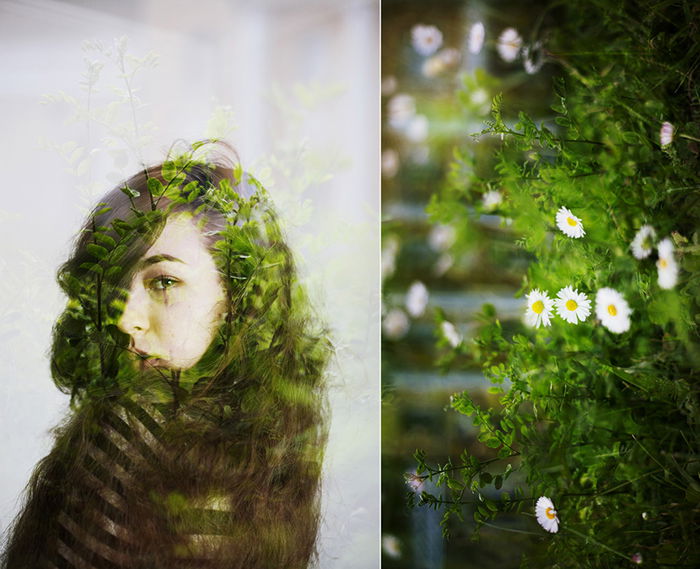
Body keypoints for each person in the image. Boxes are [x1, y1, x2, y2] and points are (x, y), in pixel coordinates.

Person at [1, 141, 329, 569]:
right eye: (117, 285)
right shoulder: (273, 441)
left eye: (164, 282)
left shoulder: (265, 439)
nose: (125, 319)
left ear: (238, 296)